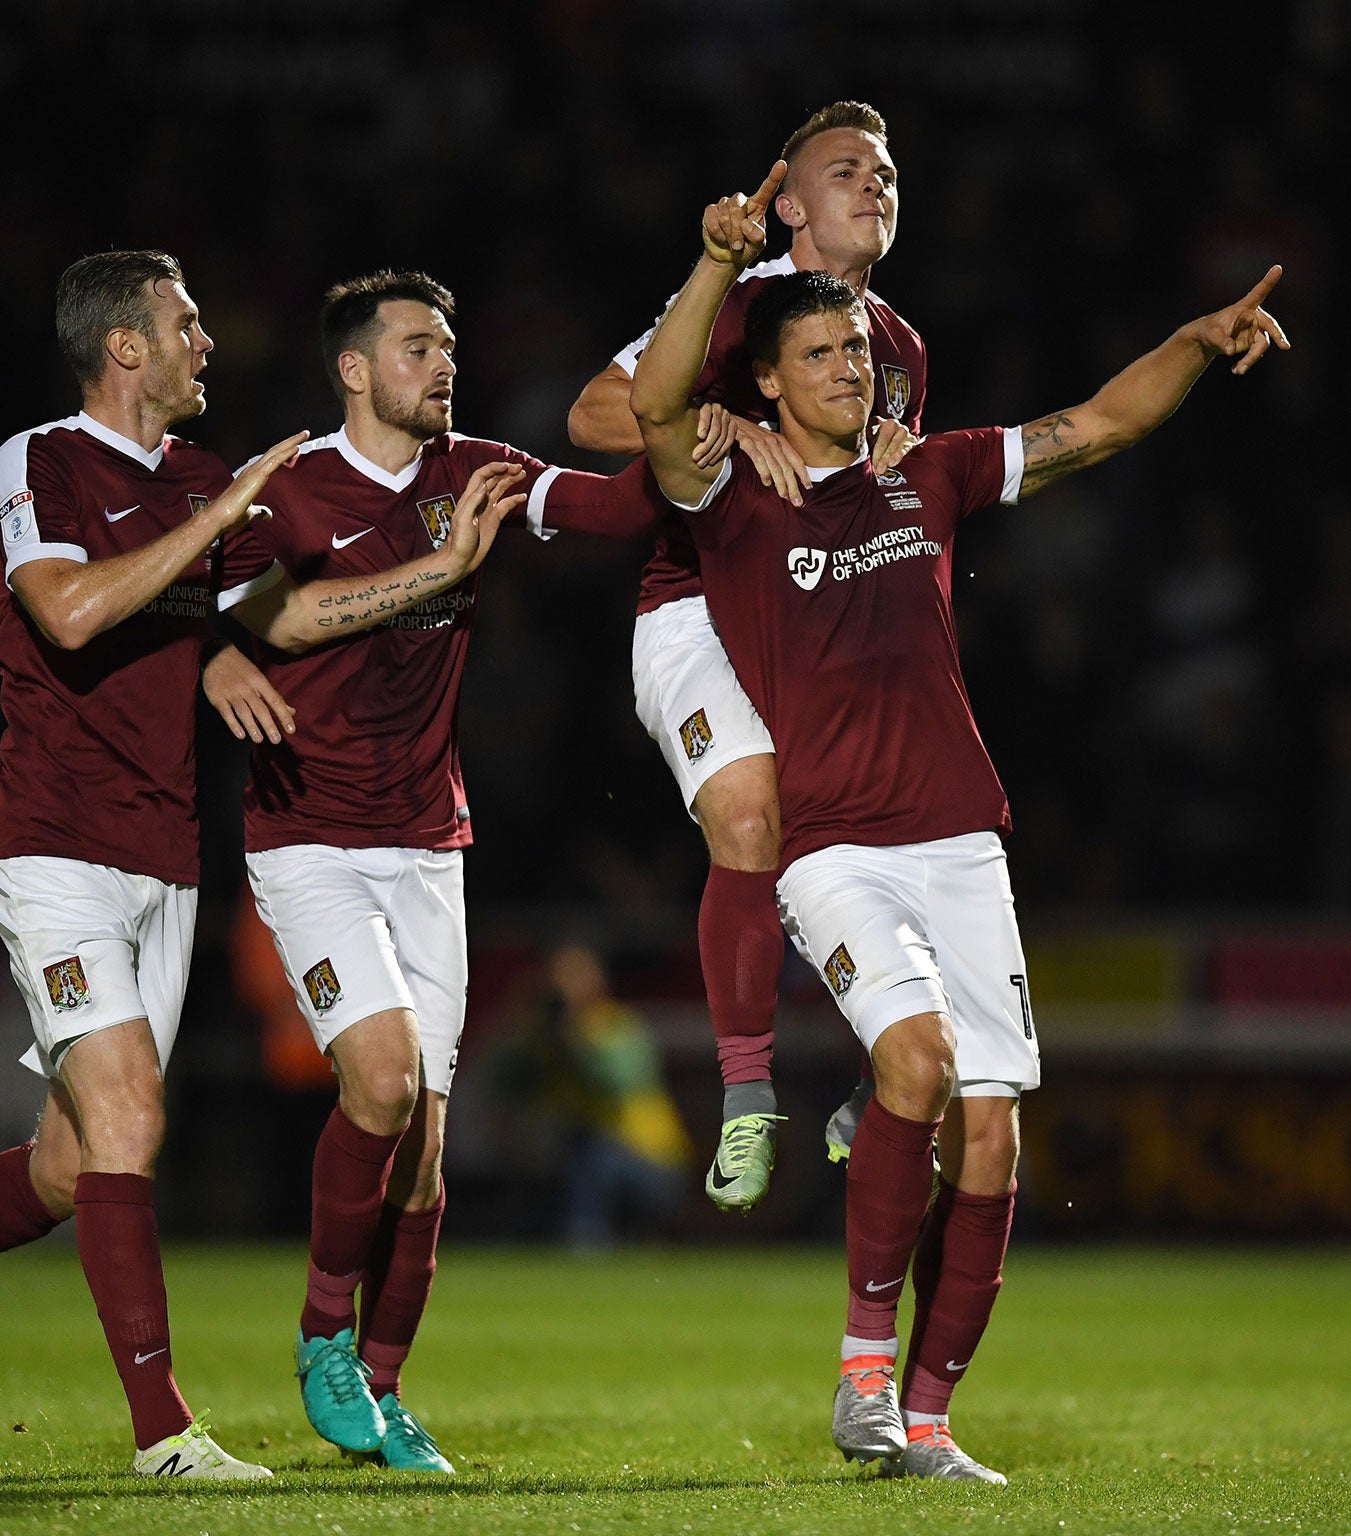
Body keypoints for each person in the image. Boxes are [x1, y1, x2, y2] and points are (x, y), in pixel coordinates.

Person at [630, 164, 1287, 1481]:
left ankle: (928, 1418)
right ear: (763, 382)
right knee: (918, 1066)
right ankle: (863, 1374)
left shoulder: (924, 474)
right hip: (832, 850)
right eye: (815, 354)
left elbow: (1094, 426)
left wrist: (1194, 345)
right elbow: (649, 407)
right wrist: (714, 263)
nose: (846, 370)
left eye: (856, 351)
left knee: (992, 1135)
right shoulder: (735, 502)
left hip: (959, 841)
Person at [200, 269, 712, 1473]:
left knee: (426, 1152)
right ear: (352, 369)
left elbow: (615, 507)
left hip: (430, 846)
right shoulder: (287, 493)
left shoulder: (474, 471)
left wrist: (701, 433)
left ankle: (381, 1392)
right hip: (308, 837)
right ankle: (325, 1337)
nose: (444, 364)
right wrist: (437, 572)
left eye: (449, 346)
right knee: (378, 1083)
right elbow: (267, 626)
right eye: (418, 347)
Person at [0, 250, 307, 1478]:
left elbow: (278, 618)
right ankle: (164, 1436)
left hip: (167, 856)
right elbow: (71, 612)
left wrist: (436, 565)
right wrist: (210, 538)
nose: (210, 342)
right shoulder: (38, 459)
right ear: (126, 347)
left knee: (67, 1161)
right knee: (133, 1117)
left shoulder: (206, 476)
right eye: (187, 323)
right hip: (51, 843)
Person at [570, 102, 922, 1211]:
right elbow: (590, 416)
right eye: (843, 169)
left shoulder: (900, 350)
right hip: (700, 612)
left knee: (878, 836)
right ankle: (743, 1096)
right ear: (787, 204)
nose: (872, 184)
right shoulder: (737, 304)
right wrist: (721, 425)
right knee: (749, 815)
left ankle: (885, 1071)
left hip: (826, 625)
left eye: (884, 170)